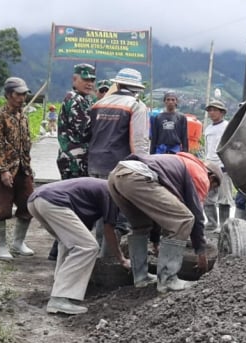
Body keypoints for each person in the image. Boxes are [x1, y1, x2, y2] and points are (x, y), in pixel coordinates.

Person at [107, 153, 215, 293]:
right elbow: (196, 215)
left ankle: (140, 277)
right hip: (137, 177)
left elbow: (159, 212)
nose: (209, 190)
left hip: (117, 176)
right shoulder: (201, 175)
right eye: (213, 186)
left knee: (141, 226)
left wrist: (155, 240)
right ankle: (168, 280)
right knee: (184, 219)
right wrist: (201, 251)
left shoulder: (177, 165)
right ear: (211, 177)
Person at [27, 177, 130, 315]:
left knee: (69, 243)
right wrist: (122, 259)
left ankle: (60, 287)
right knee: (88, 247)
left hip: (36, 200)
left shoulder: (98, 191)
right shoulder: (113, 193)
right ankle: (60, 299)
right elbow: (109, 230)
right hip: (53, 201)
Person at [88, 67, 150, 254]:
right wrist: (143, 168)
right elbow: (139, 141)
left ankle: (99, 256)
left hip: (94, 163)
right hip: (118, 167)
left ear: (118, 83)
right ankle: (108, 259)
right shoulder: (136, 106)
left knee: (100, 212)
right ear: (136, 88)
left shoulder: (99, 104)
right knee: (116, 217)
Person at [49, 63, 96, 261]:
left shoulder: (84, 99)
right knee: (74, 207)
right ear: (74, 79)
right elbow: (84, 130)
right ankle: (62, 250)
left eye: (92, 80)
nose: (89, 83)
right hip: (74, 160)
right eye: (85, 79)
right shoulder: (75, 100)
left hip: (76, 158)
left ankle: (59, 250)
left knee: (73, 206)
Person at [0, 77, 35, 261]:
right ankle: (0, 246)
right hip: (3, 169)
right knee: (1, 208)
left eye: (24, 94)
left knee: (28, 205)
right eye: (18, 94)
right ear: (8, 95)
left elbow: (26, 143)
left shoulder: (23, 116)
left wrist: (29, 166)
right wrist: (3, 170)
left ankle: (18, 242)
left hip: (23, 168)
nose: (22, 97)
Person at [203, 99, 234, 233]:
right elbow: (207, 147)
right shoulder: (208, 129)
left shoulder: (227, 127)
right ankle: (211, 223)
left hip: (223, 166)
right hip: (210, 166)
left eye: (214, 110)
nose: (211, 113)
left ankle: (224, 226)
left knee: (224, 199)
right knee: (207, 197)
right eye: (210, 110)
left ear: (222, 112)